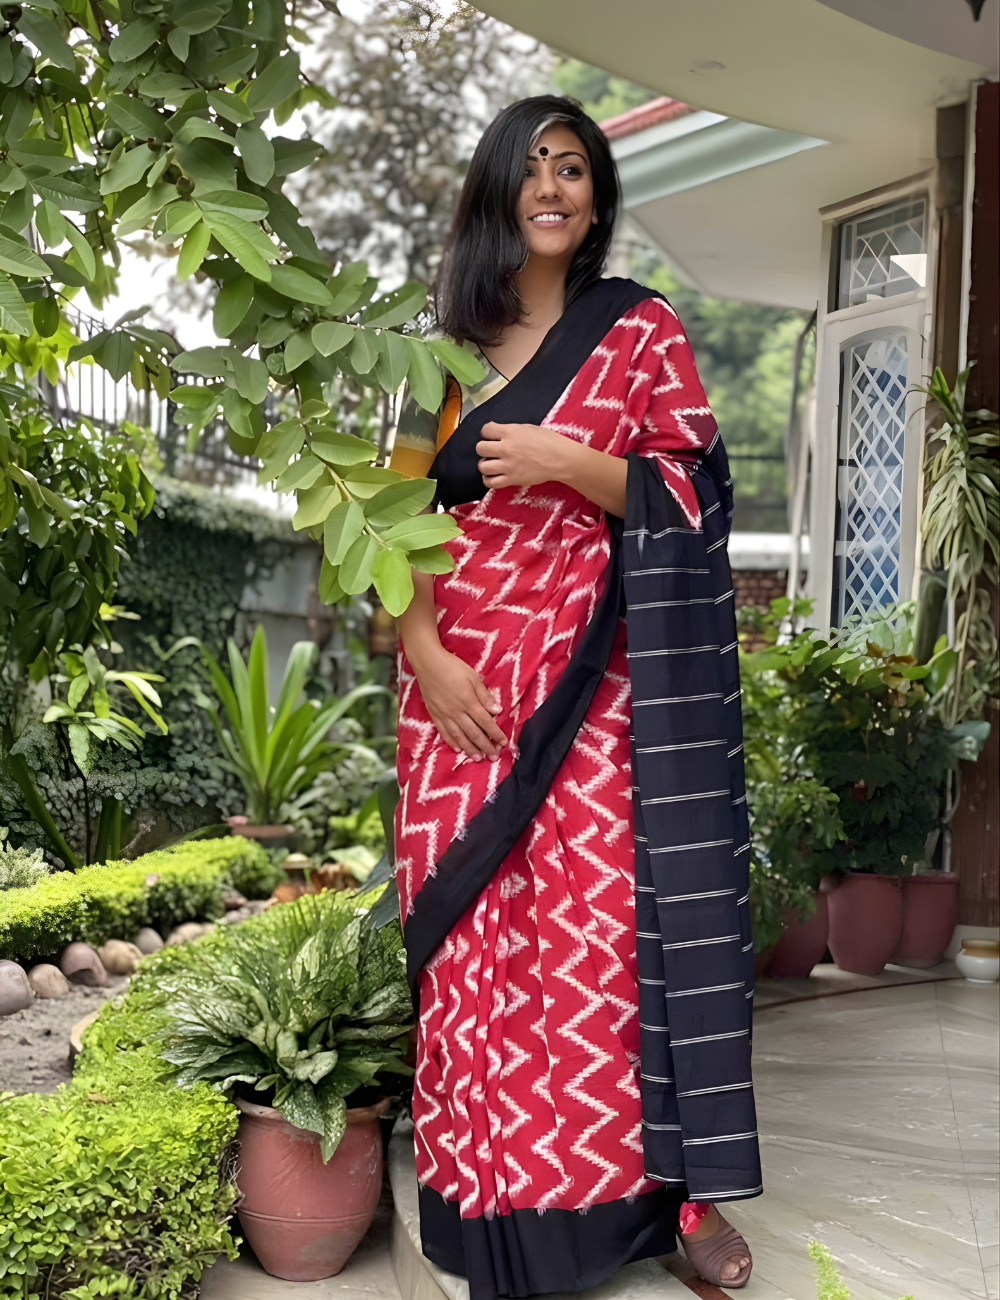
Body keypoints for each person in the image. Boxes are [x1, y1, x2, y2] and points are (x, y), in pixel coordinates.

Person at [390, 95, 758, 1297]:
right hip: (454, 687)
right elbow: (382, 528)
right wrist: (429, 655)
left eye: (574, 168)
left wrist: (564, 459)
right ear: (496, 190)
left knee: (600, 944)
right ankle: (484, 1197)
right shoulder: (429, 354)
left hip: (598, 684)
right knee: (474, 951)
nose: (552, 186)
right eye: (531, 167)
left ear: (595, 196)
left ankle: (655, 1199)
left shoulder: (640, 332)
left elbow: (695, 497)